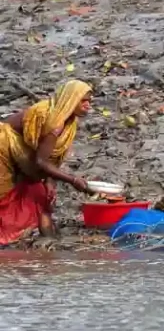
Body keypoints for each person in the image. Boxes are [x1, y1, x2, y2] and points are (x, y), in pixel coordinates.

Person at [0, 79, 94, 245]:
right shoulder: (54, 123)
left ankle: (48, 240)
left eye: (89, 101)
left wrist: (49, 181)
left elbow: (48, 156)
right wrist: (72, 180)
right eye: (83, 101)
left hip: (24, 149)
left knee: (40, 193)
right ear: (71, 100)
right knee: (5, 191)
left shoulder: (67, 119)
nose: (88, 105)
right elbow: (41, 162)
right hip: (3, 144)